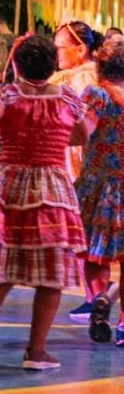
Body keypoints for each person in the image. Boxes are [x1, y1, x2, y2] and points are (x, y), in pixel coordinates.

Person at [0, 34, 94, 372]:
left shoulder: (8, 94)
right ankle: (36, 351)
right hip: (51, 189)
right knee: (51, 277)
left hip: (9, 185)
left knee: (1, 269)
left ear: (16, 65)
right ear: (51, 65)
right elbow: (80, 134)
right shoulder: (68, 99)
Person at [50, 21, 105, 323]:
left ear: (80, 49)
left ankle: (95, 298)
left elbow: (80, 125)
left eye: (60, 46)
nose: (56, 51)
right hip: (86, 163)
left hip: (84, 163)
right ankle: (95, 297)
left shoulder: (83, 78)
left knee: (87, 233)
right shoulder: (79, 76)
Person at [76, 35, 124, 345]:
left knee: (94, 256)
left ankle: (98, 300)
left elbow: (81, 132)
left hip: (96, 182)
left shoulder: (95, 94)